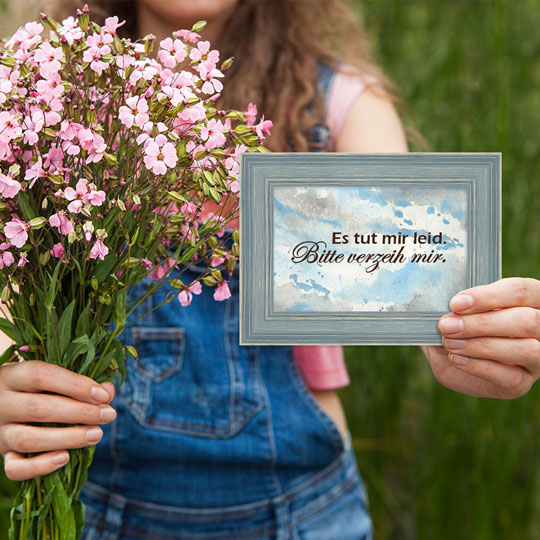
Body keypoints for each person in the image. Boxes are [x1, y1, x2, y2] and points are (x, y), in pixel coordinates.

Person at [0, 1, 539, 539]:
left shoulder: (339, 109)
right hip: (94, 512)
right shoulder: (39, 107)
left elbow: (419, 277)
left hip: (304, 514)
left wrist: (469, 339)